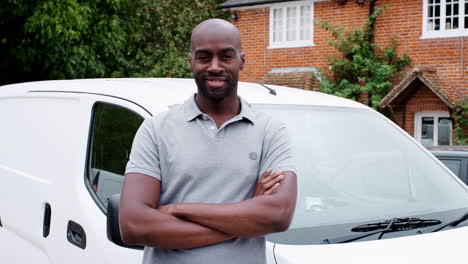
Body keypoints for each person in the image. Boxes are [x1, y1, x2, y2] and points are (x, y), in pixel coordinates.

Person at [119, 18, 297, 264]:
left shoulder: (270, 131)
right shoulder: (155, 129)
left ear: (241, 61)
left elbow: (278, 215)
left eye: (226, 56)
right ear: (190, 61)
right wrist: (247, 213)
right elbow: (133, 225)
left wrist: (178, 209)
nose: (215, 66)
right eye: (204, 57)